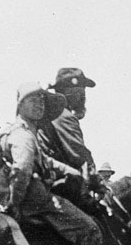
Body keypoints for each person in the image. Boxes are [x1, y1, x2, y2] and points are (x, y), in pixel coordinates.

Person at [0, 82, 113, 245]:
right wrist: (15, 203)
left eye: (42, 100)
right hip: (37, 201)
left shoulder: (29, 132)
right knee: (90, 228)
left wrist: (74, 174)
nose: (40, 104)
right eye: (33, 100)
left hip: (33, 195)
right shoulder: (23, 135)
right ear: (20, 105)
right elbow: (21, 169)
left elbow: (46, 162)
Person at [41, 67, 99, 207]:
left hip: (45, 180)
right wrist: (98, 182)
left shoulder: (49, 112)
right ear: (71, 91)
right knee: (92, 227)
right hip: (54, 187)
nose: (84, 95)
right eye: (82, 89)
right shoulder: (64, 115)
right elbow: (79, 156)